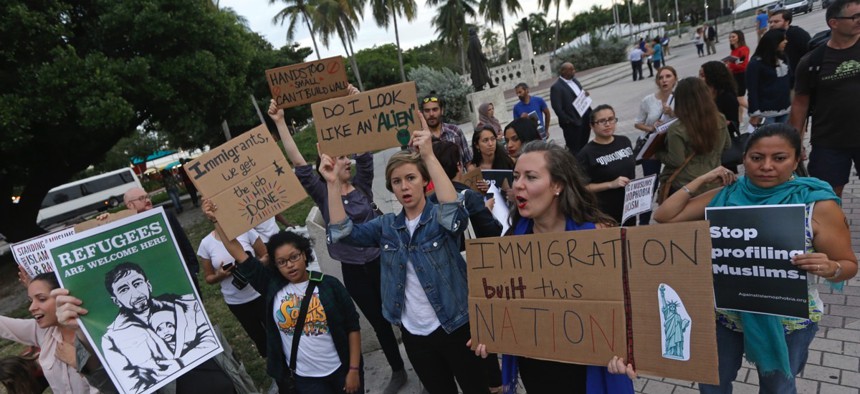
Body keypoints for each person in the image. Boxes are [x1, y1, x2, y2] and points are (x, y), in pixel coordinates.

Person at [652, 124, 857, 393]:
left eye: (779, 158)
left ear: (797, 159)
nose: (766, 166)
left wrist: (831, 268)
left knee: (777, 388)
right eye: (756, 158)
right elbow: (664, 216)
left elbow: (849, 265)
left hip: (787, 322)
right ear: (744, 158)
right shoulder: (727, 195)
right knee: (712, 382)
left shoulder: (816, 204)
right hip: (726, 314)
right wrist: (703, 178)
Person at [324, 125, 491, 393]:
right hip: (415, 335)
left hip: (456, 325)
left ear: (424, 181)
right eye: (397, 181)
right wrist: (333, 184)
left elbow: (453, 215)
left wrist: (428, 157)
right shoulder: (385, 226)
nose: (404, 186)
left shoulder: (438, 218)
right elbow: (343, 233)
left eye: (411, 178)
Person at [268, 99, 408, 393]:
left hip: (382, 262)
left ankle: (419, 359)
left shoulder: (363, 184)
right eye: (338, 158)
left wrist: (356, 104)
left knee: (403, 314)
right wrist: (280, 122)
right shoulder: (323, 193)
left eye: (347, 157)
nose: (345, 161)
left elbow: (364, 146)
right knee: (379, 322)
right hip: (355, 271)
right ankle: (398, 370)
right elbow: (299, 164)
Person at [471, 141, 635, 393]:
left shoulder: (598, 237)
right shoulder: (512, 244)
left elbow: (627, 308)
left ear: (557, 185)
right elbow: (507, 305)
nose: (518, 185)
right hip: (536, 367)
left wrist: (627, 350)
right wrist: (491, 332)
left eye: (531, 177)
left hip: (589, 369)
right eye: (516, 177)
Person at [204, 209, 363, 394]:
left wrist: (353, 369)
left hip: (341, 371)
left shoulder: (330, 286)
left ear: (304, 254)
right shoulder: (271, 286)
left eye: (294, 257)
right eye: (282, 262)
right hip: (306, 380)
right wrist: (216, 220)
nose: (290, 265)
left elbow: (352, 327)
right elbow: (237, 251)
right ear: (275, 265)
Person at [101, 262, 220, 393]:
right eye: (123, 290)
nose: (135, 294)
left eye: (137, 284)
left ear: (148, 285)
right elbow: (132, 385)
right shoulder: (111, 339)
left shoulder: (187, 305)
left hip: (217, 382)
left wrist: (180, 363)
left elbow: (210, 339)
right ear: (116, 301)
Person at [789, 0, 860, 199]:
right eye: (854, 17)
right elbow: (800, 104)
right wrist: (795, 143)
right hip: (829, 143)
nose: (859, 21)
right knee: (827, 195)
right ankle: (833, 230)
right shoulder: (811, 61)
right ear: (834, 23)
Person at [0, 273, 98, 393]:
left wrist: (80, 363)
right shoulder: (43, 332)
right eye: (31, 300)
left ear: (64, 297)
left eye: (41, 299)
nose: (31, 307)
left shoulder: (96, 334)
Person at [198, 229, 269, 357]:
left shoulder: (247, 231)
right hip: (237, 302)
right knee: (258, 337)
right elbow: (208, 277)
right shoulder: (206, 243)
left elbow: (267, 255)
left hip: (260, 293)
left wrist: (252, 266)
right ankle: (275, 369)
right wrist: (219, 276)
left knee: (276, 331)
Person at [655, 77, 730, 197]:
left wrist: (658, 153)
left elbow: (676, 160)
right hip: (714, 181)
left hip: (687, 186)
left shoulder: (677, 128)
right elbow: (727, 145)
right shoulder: (720, 118)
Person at [123, 187, 201, 292]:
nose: (147, 200)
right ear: (130, 205)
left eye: (147, 196)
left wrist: (193, 269)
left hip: (184, 275)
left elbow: (183, 241)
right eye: (141, 198)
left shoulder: (166, 215)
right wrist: (105, 220)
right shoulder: (126, 227)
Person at [576, 105, 636, 226]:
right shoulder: (586, 153)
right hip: (606, 212)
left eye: (611, 119)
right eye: (602, 121)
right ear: (592, 126)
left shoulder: (624, 141)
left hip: (630, 206)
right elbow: (581, 187)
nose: (608, 124)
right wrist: (610, 184)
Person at [634, 66, 677, 224]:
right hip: (652, 145)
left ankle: (671, 215)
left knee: (673, 180)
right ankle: (644, 221)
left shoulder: (679, 98)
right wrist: (651, 127)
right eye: (661, 77)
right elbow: (637, 123)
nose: (664, 80)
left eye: (668, 76)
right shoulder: (648, 100)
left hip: (673, 145)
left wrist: (673, 113)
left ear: (675, 79)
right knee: (650, 183)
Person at [747, 28, 791, 127]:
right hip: (766, 113)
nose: (786, 42)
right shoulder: (756, 63)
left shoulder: (783, 58)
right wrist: (754, 113)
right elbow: (752, 89)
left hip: (785, 109)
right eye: (783, 40)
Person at [550, 62, 593, 155]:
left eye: (574, 69)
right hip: (572, 123)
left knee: (584, 145)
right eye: (571, 69)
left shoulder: (575, 81)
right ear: (563, 71)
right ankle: (575, 167)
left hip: (584, 119)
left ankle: (584, 165)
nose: (574, 71)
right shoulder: (556, 87)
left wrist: (585, 94)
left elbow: (578, 95)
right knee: (574, 149)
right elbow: (557, 107)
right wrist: (567, 121)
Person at [422, 92, 472, 171]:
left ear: (442, 111)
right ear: (422, 113)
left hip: (459, 181)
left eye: (435, 109)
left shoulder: (455, 131)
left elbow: (469, 163)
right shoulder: (419, 139)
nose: (431, 114)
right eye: (427, 111)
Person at [768, 10, 811, 86]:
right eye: (770, 22)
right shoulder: (771, 38)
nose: (772, 25)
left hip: (799, 82)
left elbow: (810, 54)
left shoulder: (798, 34)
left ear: (787, 22)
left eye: (776, 22)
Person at [700, 61, 740, 132]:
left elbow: (734, 124)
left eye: (703, 76)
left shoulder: (727, 96)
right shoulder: (702, 95)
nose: (700, 79)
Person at [725, 30, 750, 101]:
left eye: (733, 37)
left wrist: (730, 64)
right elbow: (736, 62)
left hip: (741, 75)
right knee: (738, 98)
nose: (731, 39)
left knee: (739, 97)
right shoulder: (734, 50)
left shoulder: (744, 49)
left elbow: (742, 64)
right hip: (734, 75)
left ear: (739, 37)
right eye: (729, 37)